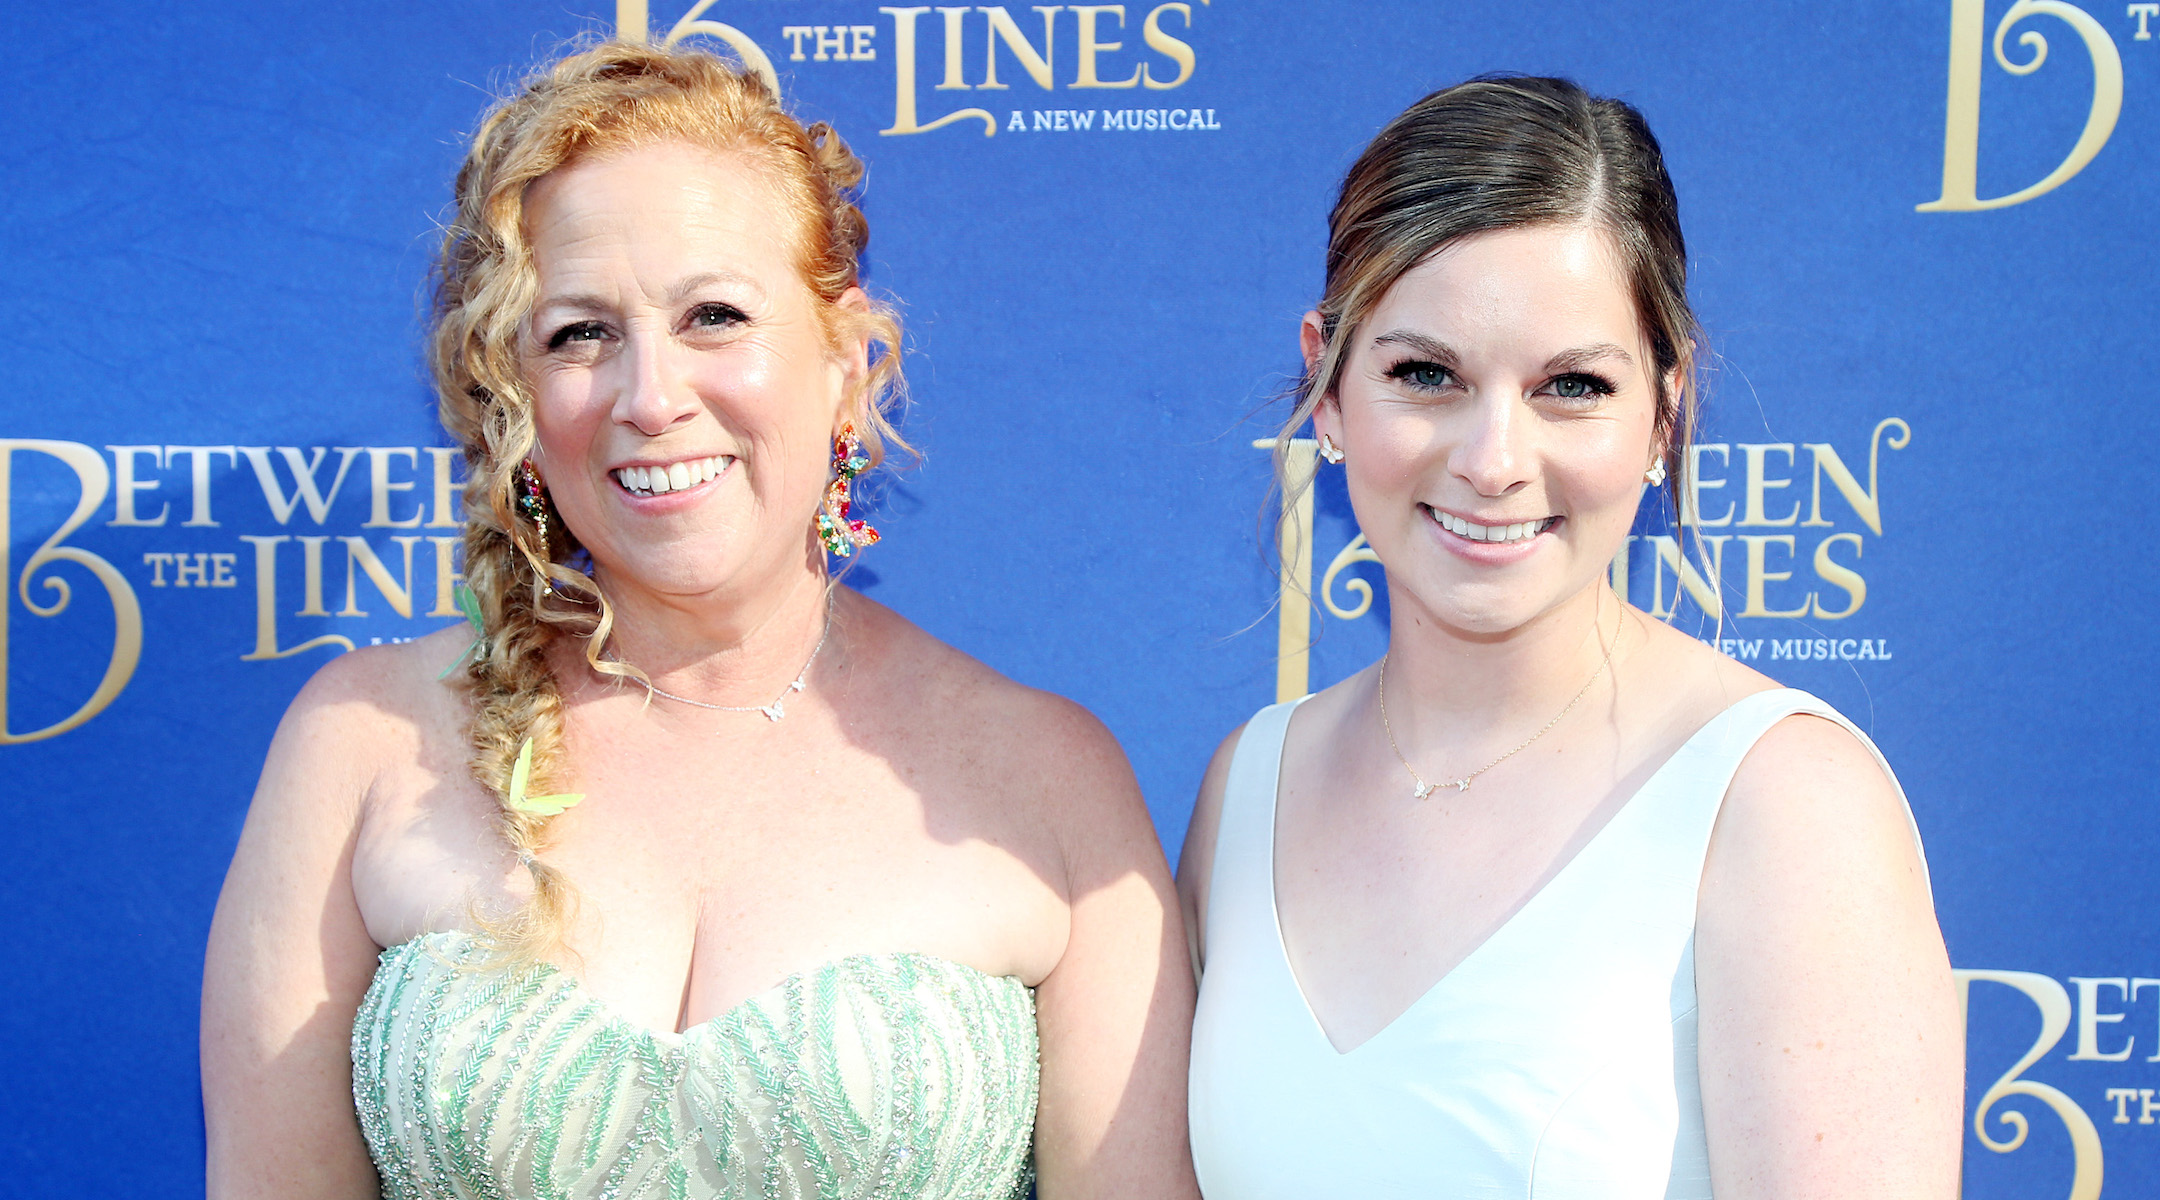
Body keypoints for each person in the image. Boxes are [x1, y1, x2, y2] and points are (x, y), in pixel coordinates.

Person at [201, 41, 1198, 1200]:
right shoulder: (360, 745)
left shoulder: (1045, 777)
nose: (652, 396)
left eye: (714, 315)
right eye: (581, 332)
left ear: (845, 363)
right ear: (515, 392)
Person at [1180, 76, 1960, 1197]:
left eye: (1573, 386)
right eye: (1426, 374)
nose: (1495, 459)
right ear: (1329, 385)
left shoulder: (1784, 803)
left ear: (1667, 409)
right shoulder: (1248, 787)